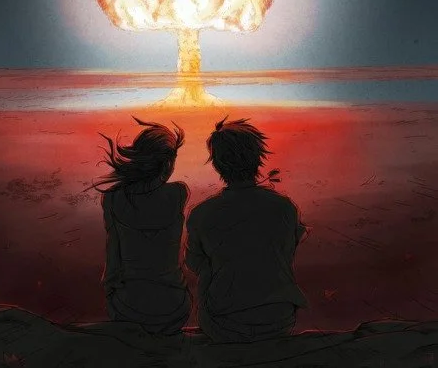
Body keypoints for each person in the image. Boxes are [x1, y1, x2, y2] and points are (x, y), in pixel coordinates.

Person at [185, 117, 308, 343]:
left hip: (224, 325)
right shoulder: (284, 207)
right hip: (279, 321)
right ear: (258, 158)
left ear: (217, 164)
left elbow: (194, 263)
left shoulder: (202, 214)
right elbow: (288, 250)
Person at [90, 116, 191, 335]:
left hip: (128, 309)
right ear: (168, 163)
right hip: (175, 309)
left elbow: (113, 257)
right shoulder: (178, 193)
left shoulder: (113, 198)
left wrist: (111, 291)